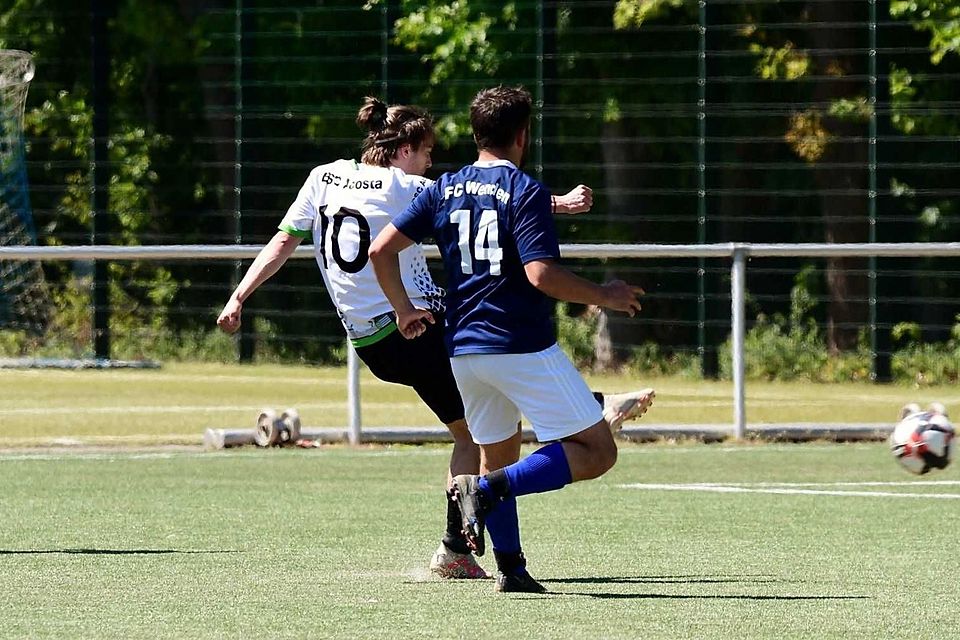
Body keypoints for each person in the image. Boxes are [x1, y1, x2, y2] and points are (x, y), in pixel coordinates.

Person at [217, 96, 652, 582]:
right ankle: (459, 543)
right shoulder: (405, 185)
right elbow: (487, 194)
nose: (430, 161)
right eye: (426, 151)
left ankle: (509, 560)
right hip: (419, 328)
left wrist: (238, 296)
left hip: (369, 341)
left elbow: (282, 243)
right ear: (404, 149)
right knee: (487, 429)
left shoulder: (324, 177)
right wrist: (561, 203)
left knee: (485, 432)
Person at [369, 85, 649, 593]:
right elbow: (541, 275)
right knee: (597, 451)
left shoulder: (443, 187)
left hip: (463, 351)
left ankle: (512, 569)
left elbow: (380, 252)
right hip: (519, 345)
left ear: (476, 133)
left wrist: (403, 309)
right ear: (523, 135)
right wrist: (605, 295)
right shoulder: (525, 190)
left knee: (497, 452)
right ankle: (487, 490)